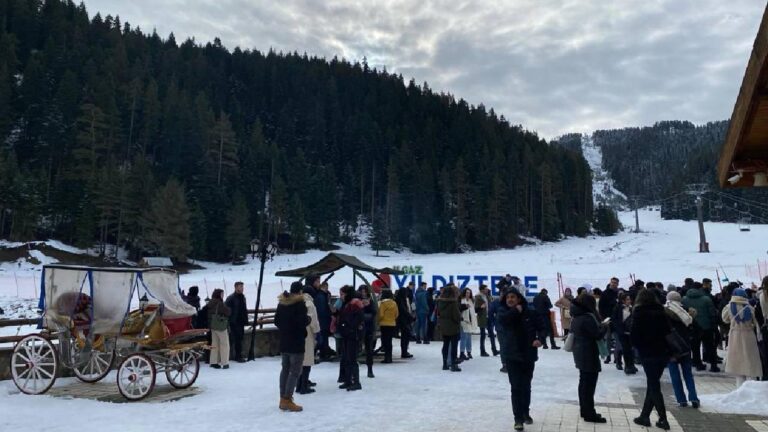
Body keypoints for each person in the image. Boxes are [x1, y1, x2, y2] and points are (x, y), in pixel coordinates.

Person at [498, 288, 545, 431]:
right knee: (516, 387)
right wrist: (515, 311)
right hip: (512, 356)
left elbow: (542, 327)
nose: (510, 300)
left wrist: (540, 339)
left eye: (513, 297)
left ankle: (525, 412)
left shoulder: (530, 312)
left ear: (519, 298)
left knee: (526, 386)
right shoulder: (503, 312)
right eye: (508, 298)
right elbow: (504, 321)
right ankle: (517, 418)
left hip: (528, 354)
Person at [631, 289, 671, 431]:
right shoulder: (661, 312)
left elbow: (634, 336)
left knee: (654, 385)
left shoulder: (639, 313)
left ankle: (663, 419)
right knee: (652, 383)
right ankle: (644, 416)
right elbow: (668, 331)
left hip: (648, 353)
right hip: (662, 353)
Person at [570, 292, 609, 423]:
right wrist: (604, 326)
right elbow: (597, 335)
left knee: (583, 383)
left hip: (580, 352)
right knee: (589, 385)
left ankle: (584, 410)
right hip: (588, 353)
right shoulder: (587, 318)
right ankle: (589, 413)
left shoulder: (576, 316)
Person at [275, 282, 310, 412]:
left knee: (285, 369)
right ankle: (287, 399)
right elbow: (301, 322)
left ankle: (282, 397)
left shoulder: (282, 303)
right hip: (296, 342)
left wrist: (285, 329)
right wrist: (308, 320)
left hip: (284, 341)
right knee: (295, 371)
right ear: (300, 291)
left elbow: (276, 321)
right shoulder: (299, 304)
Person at [665, 291, 700, 408]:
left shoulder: (665, 312)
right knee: (688, 374)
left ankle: (681, 400)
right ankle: (694, 397)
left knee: (675, 375)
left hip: (671, 347)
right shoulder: (686, 312)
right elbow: (694, 328)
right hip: (685, 346)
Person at [722, 288, 763, 388]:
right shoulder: (750, 307)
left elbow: (725, 320)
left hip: (735, 336)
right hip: (748, 336)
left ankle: (740, 389)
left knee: (738, 365)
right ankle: (753, 389)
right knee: (750, 362)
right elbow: (755, 322)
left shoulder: (729, 307)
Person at [683, 282, 720, 372]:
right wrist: (714, 325)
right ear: (700, 289)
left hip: (692, 326)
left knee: (695, 347)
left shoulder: (684, 299)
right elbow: (712, 313)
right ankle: (713, 365)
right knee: (710, 346)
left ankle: (698, 364)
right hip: (706, 326)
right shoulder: (706, 299)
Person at [338, 287, 364, 391]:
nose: (341, 296)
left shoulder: (355, 304)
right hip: (347, 335)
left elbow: (357, 319)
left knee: (352, 359)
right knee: (347, 358)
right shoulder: (347, 304)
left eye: (342, 294)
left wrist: (348, 328)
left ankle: (356, 382)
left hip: (353, 335)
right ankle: (348, 380)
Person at [296, 287, 320, 395]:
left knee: (300, 361)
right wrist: (316, 332)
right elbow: (312, 321)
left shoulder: (298, 301)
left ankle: (298, 384)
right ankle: (304, 386)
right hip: (308, 334)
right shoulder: (310, 304)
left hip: (298, 332)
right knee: (307, 361)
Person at [437, 284, 462, 371]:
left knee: (445, 345)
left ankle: (444, 364)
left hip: (444, 327)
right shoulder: (453, 303)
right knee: (454, 346)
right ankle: (453, 364)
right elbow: (456, 316)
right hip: (453, 327)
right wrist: (460, 318)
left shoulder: (440, 302)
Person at [612, 293, 637, 374]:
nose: (629, 301)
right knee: (625, 349)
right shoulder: (618, 308)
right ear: (623, 300)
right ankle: (627, 365)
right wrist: (619, 329)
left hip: (631, 332)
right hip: (622, 332)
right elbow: (615, 320)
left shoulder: (632, 308)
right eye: (627, 299)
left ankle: (632, 364)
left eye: (629, 299)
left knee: (631, 349)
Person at [207, 289, 231, 369]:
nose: (223, 296)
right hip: (221, 326)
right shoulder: (220, 303)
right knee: (224, 344)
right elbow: (228, 312)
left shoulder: (210, 302)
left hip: (213, 326)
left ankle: (213, 362)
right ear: (218, 295)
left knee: (214, 344)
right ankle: (225, 362)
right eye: (222, 294)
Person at [225, 282, 248, 362]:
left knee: (240, 339)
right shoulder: (231, 298)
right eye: (240, 287)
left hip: (241, 321)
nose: (242, 288)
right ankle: (234, 356)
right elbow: (226, 310)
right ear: (235, 287)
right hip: (234, 322)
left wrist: (246, 319)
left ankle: (238, 355)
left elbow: (244, 309)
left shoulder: (243, 297)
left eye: (242, 287)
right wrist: (229, 320)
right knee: (234, 340)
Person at [358, 285, 377, 378]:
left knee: (369, 349)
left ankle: (370, 369)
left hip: (368, 328)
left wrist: (368, 305)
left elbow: (374, 312)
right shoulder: (356, 301)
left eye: (364, 291)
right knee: (356, 349)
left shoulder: (371, 301)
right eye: (361, 291)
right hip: (359, 328)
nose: (363, 293)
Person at [600, 277, 619, 364]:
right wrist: (604, 318)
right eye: (612, 282)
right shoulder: (605, 293)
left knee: (617, 339)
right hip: (608, 319)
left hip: (617, 319)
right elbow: (601, 307)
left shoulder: (619, 293)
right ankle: (608, 356)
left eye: (615, 283)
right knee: (608, 339)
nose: (613, 284)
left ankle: (617, 357)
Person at [377, 289, 398, 364]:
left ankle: (386, 358)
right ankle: (390, 357)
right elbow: (396, 314)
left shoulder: (383, 303)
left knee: (385, 341)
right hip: (392, 324)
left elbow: (381, 315)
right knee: (389, 341)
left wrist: (378, 320)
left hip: (384, 324)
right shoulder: (394, 303)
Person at [314, 280, 334, 360]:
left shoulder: (320, 295)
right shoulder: (322, 296)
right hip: (323, 320)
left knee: (323, 336)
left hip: (321, 320)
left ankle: (324, 353)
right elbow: (322, 310)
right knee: (324, 337)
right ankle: (324, 354)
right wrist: (329, 315)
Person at [459, 287, 478, 360]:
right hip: (464, 320)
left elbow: (472, 312)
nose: (468, 294)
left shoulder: (471, 301)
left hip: (470, 321)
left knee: (469, 337)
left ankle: (469, 352)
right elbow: (460, 309)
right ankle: (462, 352)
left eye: (469, 293)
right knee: (463, 337)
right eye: (467, 292)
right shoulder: (461, 300)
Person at [395, 287, 414, 358]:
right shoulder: (401, 300)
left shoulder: (399, 299)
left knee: (405, 336)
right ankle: (404, 352)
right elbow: (403, 310)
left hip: (402, 320)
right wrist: (410, 317)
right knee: (405, 336)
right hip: (403, 320)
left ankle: (404, 351)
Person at [475, 285, 491, 356]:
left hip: (488, 316)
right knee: (483, 335)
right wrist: (481, 307)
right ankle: (482, 350)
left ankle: (494, 349)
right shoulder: (478, 297)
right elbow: (476, 309)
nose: (487, 290)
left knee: (491, 334)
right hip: (482, 317)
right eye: (485, 289)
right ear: (481, 290)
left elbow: (490, 304)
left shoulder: (486, 296)